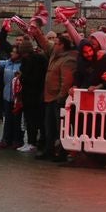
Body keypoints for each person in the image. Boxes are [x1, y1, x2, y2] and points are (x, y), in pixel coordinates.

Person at [30, 26, 75, 163]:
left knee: (60, 128)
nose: (53, 45)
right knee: (48, 127)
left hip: (58, 99)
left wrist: (61, 98)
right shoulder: (55, 54)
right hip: (49, 97)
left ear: (62, 46)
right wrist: (37, 33)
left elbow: (66, 81)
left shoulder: (69, 59)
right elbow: (44, 43)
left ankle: (61, 152)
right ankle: (49, 150)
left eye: (56, 43)